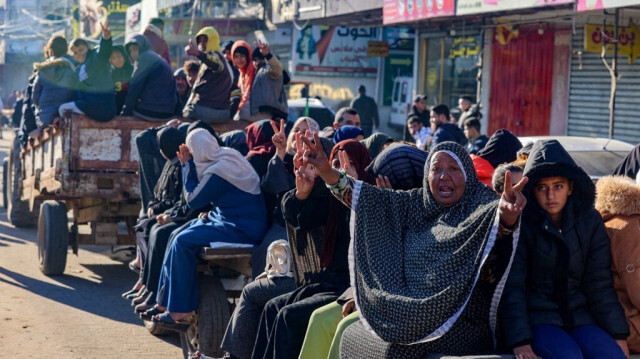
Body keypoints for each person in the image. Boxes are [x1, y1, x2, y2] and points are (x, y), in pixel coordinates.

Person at [297, 135, 526, 357]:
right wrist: (326, 171)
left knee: (391, 350)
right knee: (349, 333)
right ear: (427, 174)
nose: (444, 176)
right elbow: (365, 198)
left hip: (460, 321)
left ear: (467, 173)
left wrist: (506, 216)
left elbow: (498, 225)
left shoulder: (480, 205)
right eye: (436, 169)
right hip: (408, 314)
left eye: (454, 169)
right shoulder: (415, 204)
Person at [500, 139, 629, 359]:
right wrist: (520, 341)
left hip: (581, 317)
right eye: (542, 188)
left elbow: (599, 283)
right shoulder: (523, 223)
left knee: (611, 355)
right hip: (539, 320)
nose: (551, 196)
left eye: (558, 186)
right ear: (532, 190)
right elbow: (512, 286)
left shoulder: (589, 221)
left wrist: (618, 335)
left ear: (570, 187)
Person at [251, 139, 376, 359]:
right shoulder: (330, 198)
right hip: (330, 281)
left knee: (290, 315)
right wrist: (303, 193)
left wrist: (355, 194)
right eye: (336, 163)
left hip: (352, 287)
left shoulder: (374, 196)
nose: (342, 169)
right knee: (273, 308)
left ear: (363, 166)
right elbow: (299, 219)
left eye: (350, 164)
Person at [152, 128, 267, 327]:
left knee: (181, 241)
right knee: (176, 234)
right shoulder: (228, 155)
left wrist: (186, 165)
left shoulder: (219, 170)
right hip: (228, 219)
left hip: (241, 228)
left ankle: (180, 307)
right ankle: (164, 301)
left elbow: (193, 201)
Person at [596, 175, 640, 354]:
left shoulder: (616, 218)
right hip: (630, 324)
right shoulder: (631, 227)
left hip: (616, 320)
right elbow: (637, 289)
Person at [59, 21, 115, 122]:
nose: (79, 54)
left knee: (63, 109)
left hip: (101, 105)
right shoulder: (78, 70)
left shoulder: (95, 59)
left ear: (88, 48)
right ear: (73, 56)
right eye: (75, 52)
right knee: (64, 109)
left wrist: (105, 38)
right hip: (88, 106)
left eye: (81, 50)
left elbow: (104, 52)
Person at [182, 26, 233, 124]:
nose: (202, 44)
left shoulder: (216, 56)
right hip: (219, 111)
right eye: (200, 41)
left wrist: (198, 53)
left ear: (212, 40)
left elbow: (216, 64)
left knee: (186, 113)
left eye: (205, 40)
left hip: (210, 110)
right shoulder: (210, 59)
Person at [121, 34, 177, 121]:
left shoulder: (144, 58)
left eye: (135, 49)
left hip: (151, 111)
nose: (133, 53)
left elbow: (135, 87)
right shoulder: (156, 57)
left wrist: (125, 112)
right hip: (168, 112)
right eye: (130, 51)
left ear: (142, 47)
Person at [32, 35, 77, 129]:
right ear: (66, 50)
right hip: (67, 117)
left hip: (46, 119)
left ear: (51, 51)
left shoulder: (43, 69)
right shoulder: (75, 66)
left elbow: (35, 96)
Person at [248, 41, 288, 122]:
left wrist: (267, 55)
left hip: (269, 113)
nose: (256, 62)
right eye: (254, 60)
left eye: (259, 59)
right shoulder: (256, 72)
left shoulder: (267, 69)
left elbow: (277, 68)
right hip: (262, 112)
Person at [231, 40, 256, 122]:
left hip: (254, 111)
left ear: (248, 56)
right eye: (236, 56)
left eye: (242, 56)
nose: (239, 60)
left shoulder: (253, 69)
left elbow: (247, 95)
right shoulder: (241, 73)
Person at [110, 45, 133, 114]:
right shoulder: (112, 73)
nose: (117, 60)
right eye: (113, 58)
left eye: (119, 56)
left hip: (131, 105)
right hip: (117, 107)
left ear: (125, 56)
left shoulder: (132, 69)